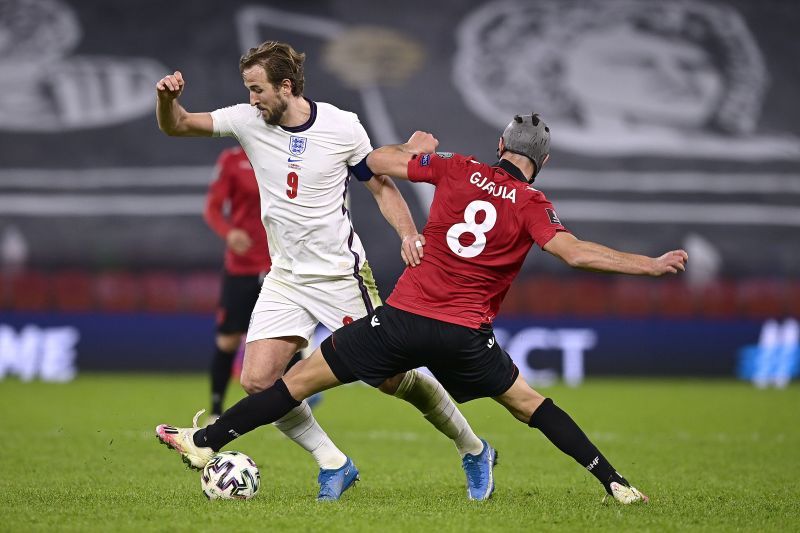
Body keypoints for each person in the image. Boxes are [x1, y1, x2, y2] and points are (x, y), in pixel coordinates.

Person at [157, 113, 689, 503]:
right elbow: (573, 253)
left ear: (500, 144)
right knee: (532, 405)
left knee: (291, 386)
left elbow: (376, 163)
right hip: (465, 335)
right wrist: (650, 264)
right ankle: (614, 482)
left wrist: (413, 147)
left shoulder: (457, 168)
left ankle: (204, 440)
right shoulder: (533, 204)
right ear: (542, 164)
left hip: (402, 320)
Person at [154, 41, 490, 501]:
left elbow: (382, 188)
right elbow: (179, 126)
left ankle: (474, 449)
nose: (252, 99)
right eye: (248, 90)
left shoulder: (342, 125)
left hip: (340, 277)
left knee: (391, 377)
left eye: (257, 90)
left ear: (285, 86)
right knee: (257, 381)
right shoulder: (247, 120)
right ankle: (334, 462)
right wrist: (166, 100)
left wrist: (409, 233)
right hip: (286, 278)